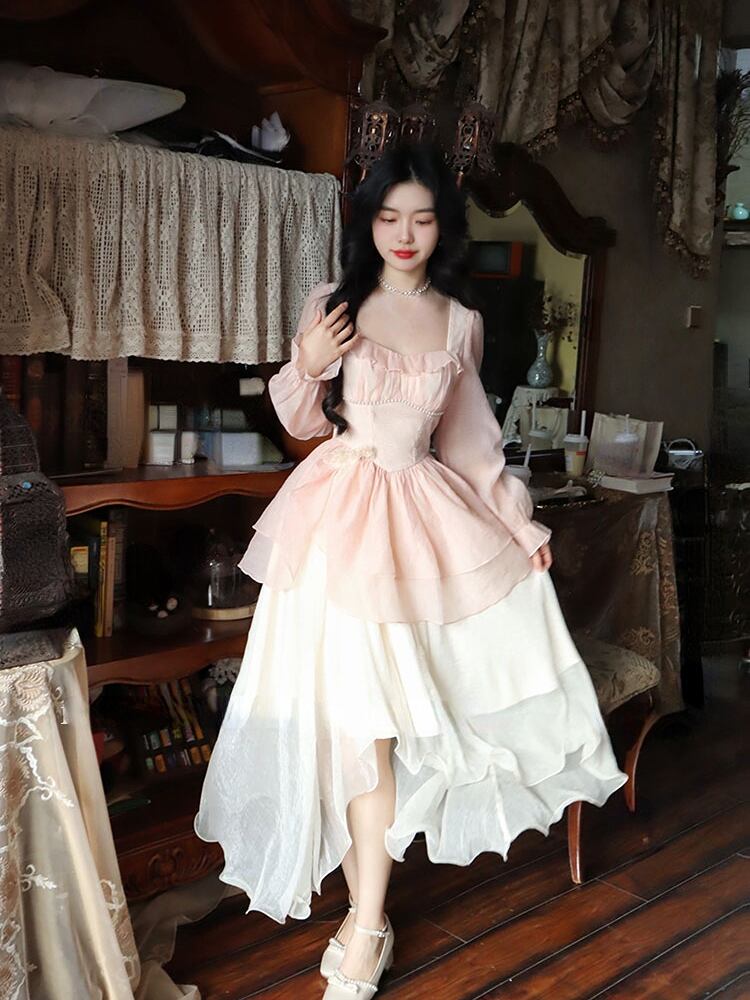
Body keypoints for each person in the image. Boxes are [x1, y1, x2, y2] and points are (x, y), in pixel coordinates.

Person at [195, 143, 627, 1000]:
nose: (404, 234)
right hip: (335, 524)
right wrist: (307, 358)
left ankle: (366, 926)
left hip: (417, 527)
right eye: (389, 216)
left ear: (443, 228)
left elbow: (471, 445)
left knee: (380, 728)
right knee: (353, 726)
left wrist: (518, 522)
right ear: (369, 222)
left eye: (421, 219)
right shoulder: (334, 304)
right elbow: (298, 421)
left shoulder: (459, 322)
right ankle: (368, 919)